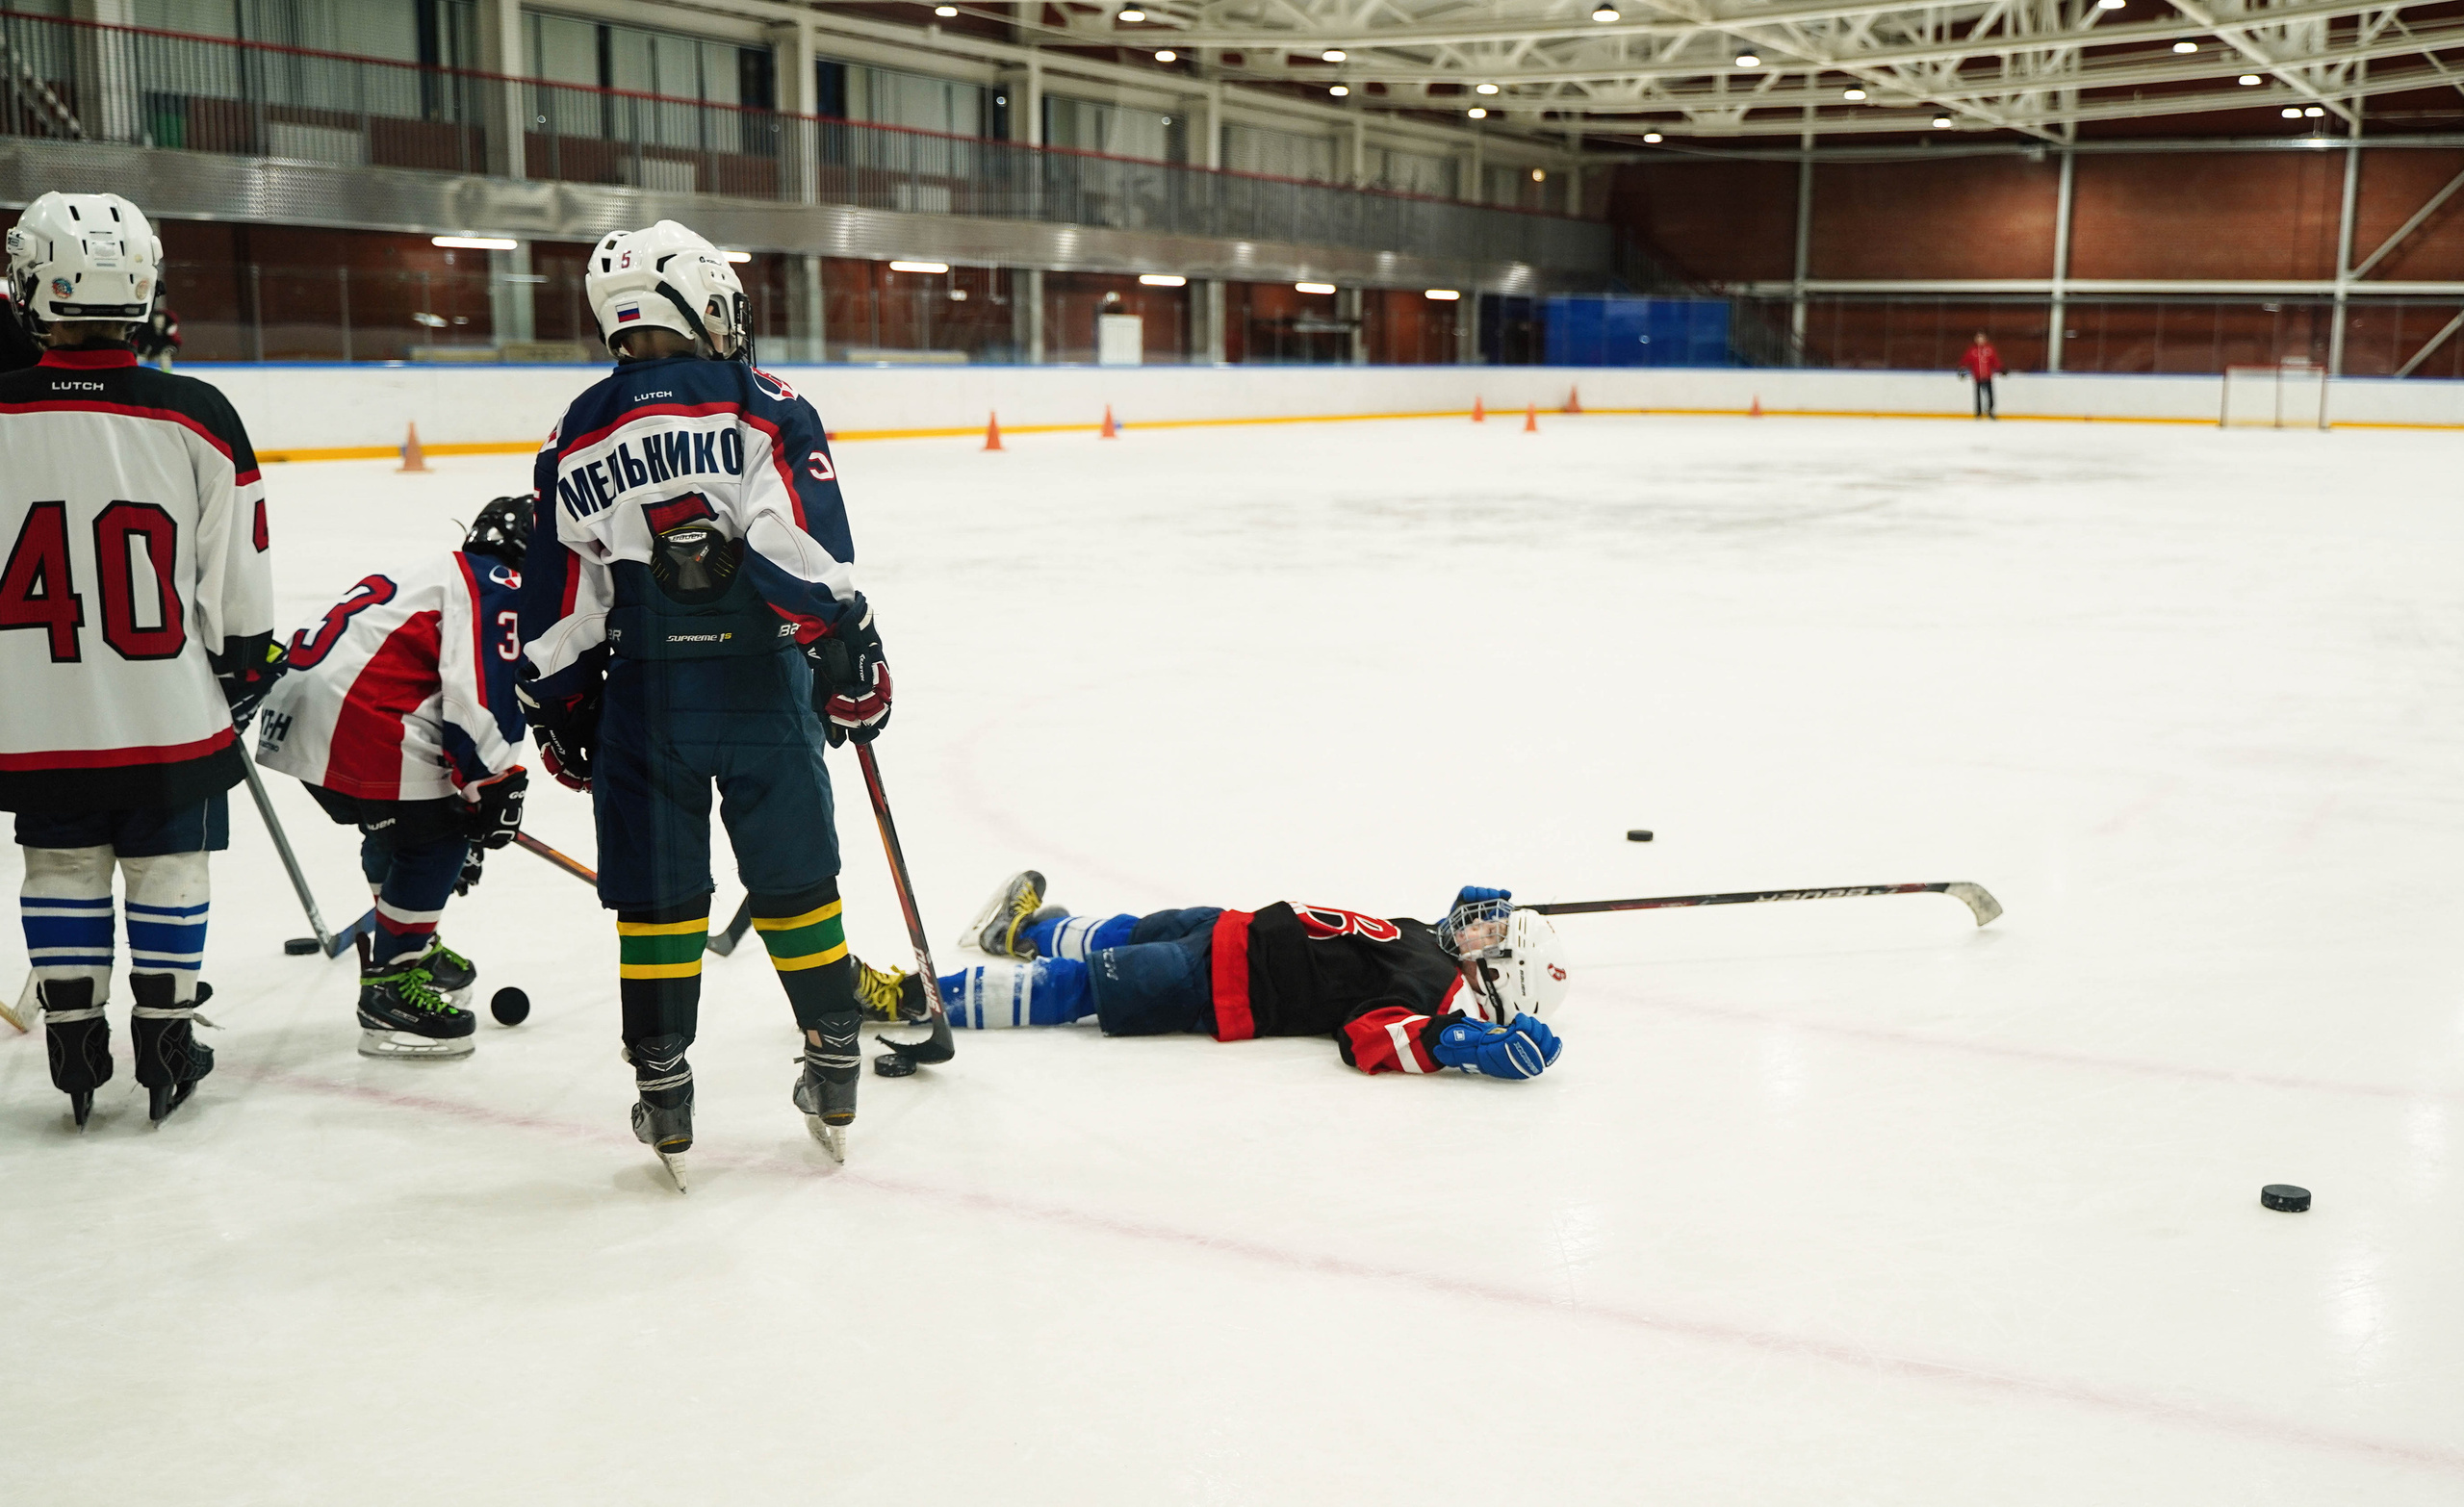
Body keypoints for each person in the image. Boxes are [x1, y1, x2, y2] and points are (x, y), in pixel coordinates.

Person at [515, 219, 893, 1188]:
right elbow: (789, 553)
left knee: (658, 901)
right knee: (796, 878)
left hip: (644, 697)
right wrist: (843, 645)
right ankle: (834, 1062)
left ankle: (665, 1084)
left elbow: (560, 600)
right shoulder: (762, 402)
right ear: (695, 301)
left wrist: (563, 708)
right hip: (759, 682)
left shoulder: (575, 429)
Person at [0, 192, 279, 1128]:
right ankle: (166, 1035)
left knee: (61, 863)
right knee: (170, 868)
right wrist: (243, 663)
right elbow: (238, 569)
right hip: (166, 704)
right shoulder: (197, 413)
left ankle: (74, 1039)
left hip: (34, 709)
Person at [254, 496, 532, 1059]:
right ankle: (391, 984)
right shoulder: (500, 583)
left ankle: (408, 946)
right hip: (356, 716)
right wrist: (492, 783)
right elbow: (480, 692)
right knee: (439, 835)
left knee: (399, 828)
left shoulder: (440, 570)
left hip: (300, 708)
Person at [926, 872, 1568, 1079]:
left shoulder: (1442, 998)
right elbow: (1401, 946)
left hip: (1226, 984)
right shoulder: (1441, 947)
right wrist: (1464, 916)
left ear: (1502, 971)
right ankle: (1021, 934)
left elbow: (1369, 1036)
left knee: (1084, 985)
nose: (1483, 925)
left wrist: (1465, 1047)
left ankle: (919, 998)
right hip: (1238, 929)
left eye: (1496, 934)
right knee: (1134, 928)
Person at [1959, 331, 2005, 420]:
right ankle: (1978, 412)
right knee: (1978, 395)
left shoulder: (1989, 349)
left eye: (1982, 338)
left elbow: (1995, 361)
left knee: (1990, 394)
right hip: (1977, 376)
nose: (1980, 340)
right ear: (1975, 339)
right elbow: (1965, 361)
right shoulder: (1972, 351)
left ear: (1985, 339)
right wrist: (1962, 369)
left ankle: (1990, 411)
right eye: (1978, 338)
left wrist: (2001, 369)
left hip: (1987, 376)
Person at [132, 291, 181, 372]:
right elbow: (136, 340)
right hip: (143, 352)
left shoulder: (169, 326)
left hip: (159, 351)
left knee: (165, 358)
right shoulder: (143, 326)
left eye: (161, 321)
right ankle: (133, 374)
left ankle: (167, 375)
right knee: (136, 360)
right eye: (157, 320)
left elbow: (176, 342)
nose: (159, 323)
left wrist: (170, 348)